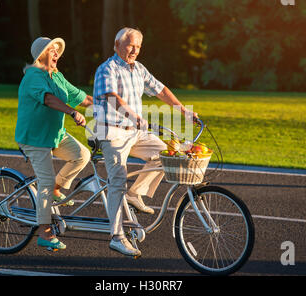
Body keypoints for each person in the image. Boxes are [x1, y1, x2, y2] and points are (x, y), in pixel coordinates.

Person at [93, 27, 198, 257]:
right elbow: (112, 98)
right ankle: (117, 236)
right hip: (112, 131)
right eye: (130, 45)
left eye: (138, 47)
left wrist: (183, 111)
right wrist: (135, 116)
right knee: (117, 179)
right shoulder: (106, 69)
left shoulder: (139, 69)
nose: (134, 50)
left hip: (135, 131)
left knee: (165, 155)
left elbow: (160, 90)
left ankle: (135, 193)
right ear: (117, 45)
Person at [15, 36, 93, 251]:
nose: (57, 53)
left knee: (82, 155)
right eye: (52, 50)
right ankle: (45, 233)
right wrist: (71, 111)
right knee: (45, 183)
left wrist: (109, 104)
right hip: (34, 138)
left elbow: (81, 97)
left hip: (54, 135)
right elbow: (48, 99)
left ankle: (58, 187)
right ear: (41, 54)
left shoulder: (57, 76)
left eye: (58, 50)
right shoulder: (33, 76)